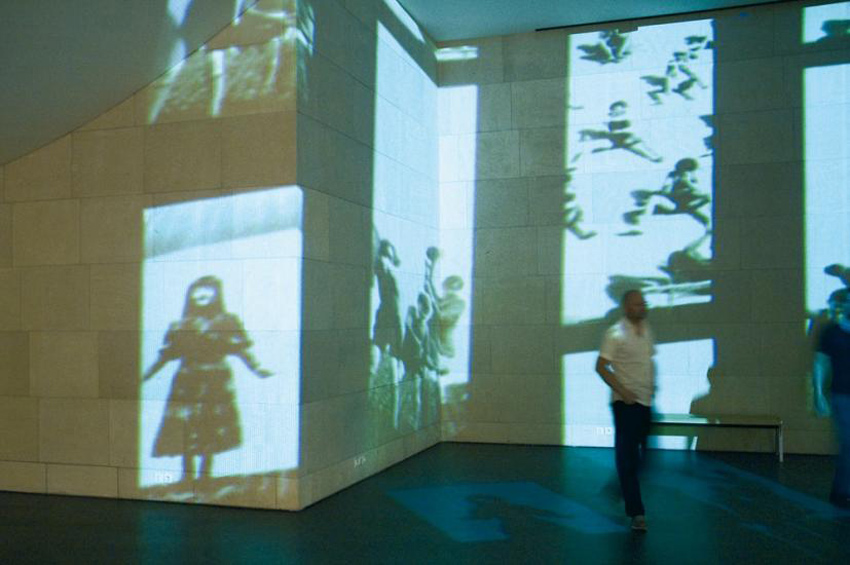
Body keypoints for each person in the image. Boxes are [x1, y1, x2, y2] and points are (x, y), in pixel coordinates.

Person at [143, 276, 272, 486]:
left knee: (211, 426)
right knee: (185, 425)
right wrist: (145, 375)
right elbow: (166, 355)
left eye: (207, 290)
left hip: (216, 382)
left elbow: (241, 350)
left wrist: (257, 369)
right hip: (187, 382)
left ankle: (205, 476)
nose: (202, 295)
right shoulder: (179, 325)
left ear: (216, 294)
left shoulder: (227, 321)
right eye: (197, 291)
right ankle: (186, 476)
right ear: (191, 295)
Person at [595, 289, 655, 531]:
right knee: (628, 457)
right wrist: (623, 391)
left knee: (643, 458)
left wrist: (653, 388)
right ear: (626, 307)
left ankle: (619, 485)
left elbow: (648, 361)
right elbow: (601, 366)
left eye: (643, 303)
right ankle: (636, 513)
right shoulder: (615, 334)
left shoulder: (647, 329)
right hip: (625, 404)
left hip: (646, 402)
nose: (642, 307)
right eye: (637, 304)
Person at [813, 288, 850, 509]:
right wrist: (817, 394)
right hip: (842, 396)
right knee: (848, 442)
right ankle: (843, 492)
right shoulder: (831, 332)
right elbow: (820, 363)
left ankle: (839, 489)